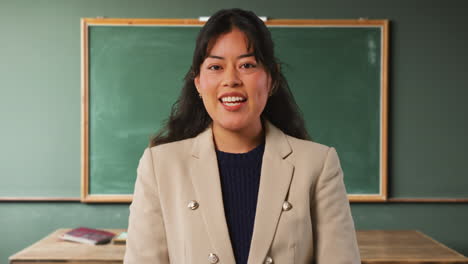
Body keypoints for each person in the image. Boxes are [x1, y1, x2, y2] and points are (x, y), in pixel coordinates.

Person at [124, 8, 361, 264]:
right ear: (198, 84)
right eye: (215, 66)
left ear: (271, 79)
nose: (231, 80)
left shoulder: (318, 164)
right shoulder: (160, 166)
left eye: (247, 65)